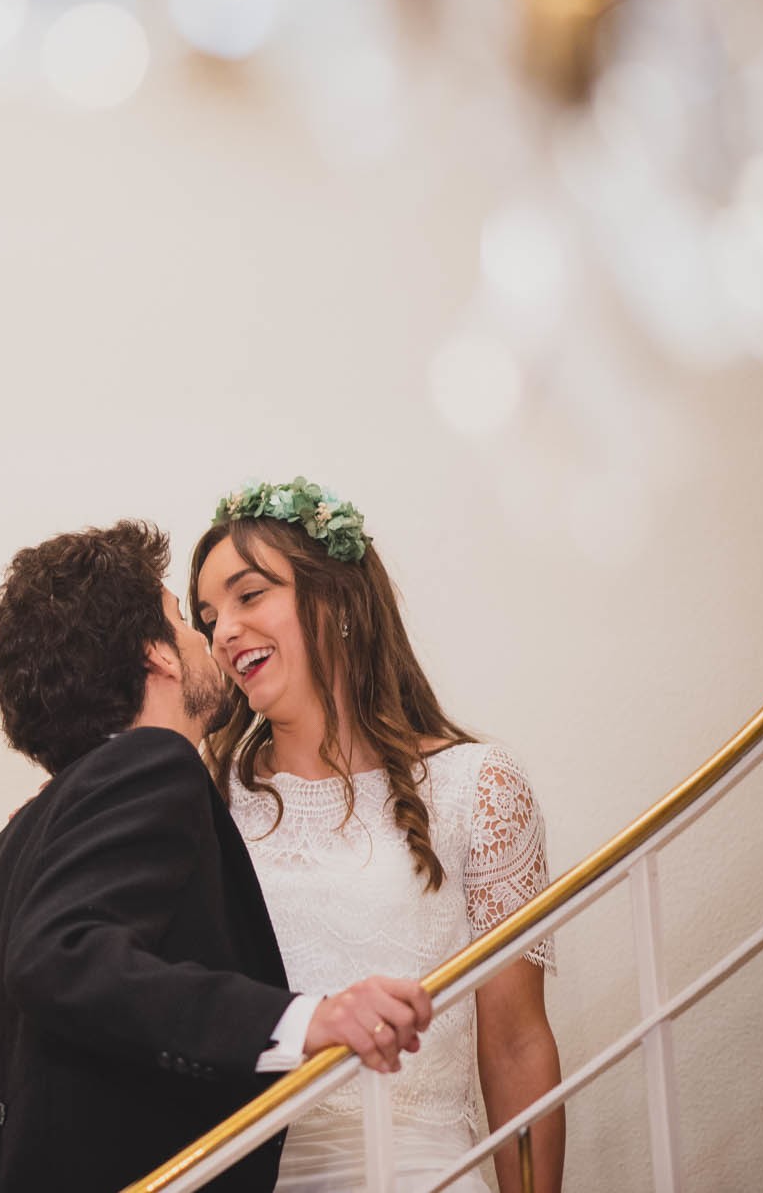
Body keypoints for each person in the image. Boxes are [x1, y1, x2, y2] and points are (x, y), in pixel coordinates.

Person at [0, 521, 434, 1193]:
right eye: (184, 618)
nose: (208, 639)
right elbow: (60, 954)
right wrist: (301, 1019)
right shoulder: (157, 762)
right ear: (159, 656)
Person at [190, 480, 564, 1193]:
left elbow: (516, 1044)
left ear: (335, 600)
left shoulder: (475, 786)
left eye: (248, 595)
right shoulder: (206, 799)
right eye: (209, 617)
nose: (223, 632)